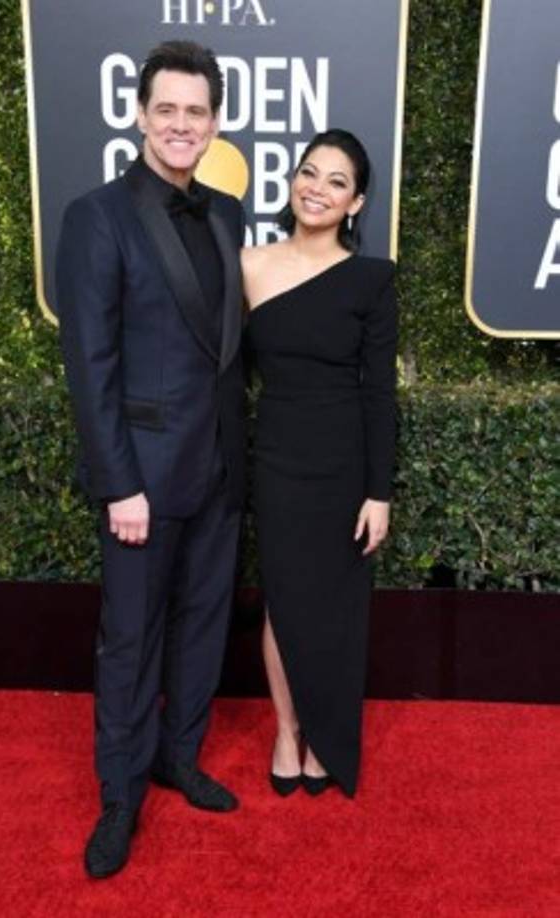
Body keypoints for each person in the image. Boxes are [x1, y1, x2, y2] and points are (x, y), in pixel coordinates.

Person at [56, 40, 246, 878]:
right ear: (139, 115)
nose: (180, 124)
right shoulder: (96, 217)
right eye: (165, 109)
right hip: (142, 478)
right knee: (130, 640)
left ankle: (178, 755)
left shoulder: (225, 214)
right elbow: (89, 363)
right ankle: (120, 795)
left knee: (203, 625)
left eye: (195, 111)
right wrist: (118, 483)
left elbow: (225, 350)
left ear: (214, 122)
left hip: (216, 470)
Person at [241, 129, 398, 798]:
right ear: (292, 180)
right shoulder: (247, 263)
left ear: (355, 202)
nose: (317, 187)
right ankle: (286, 732)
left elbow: (378, 390)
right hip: (275, 456)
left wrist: (378, 491)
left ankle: (327, 736)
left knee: (332, 606)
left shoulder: (372, 277)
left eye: (336, 181)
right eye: (310, 172)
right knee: (282, 600)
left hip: (341, 465)